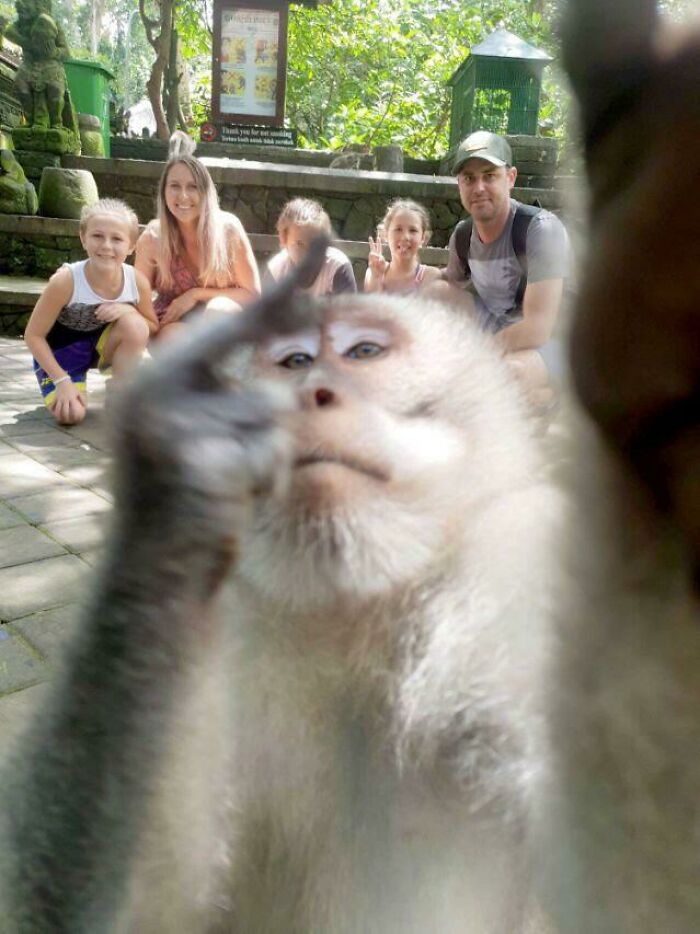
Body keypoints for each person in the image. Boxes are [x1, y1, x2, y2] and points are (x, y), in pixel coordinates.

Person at [442, 130, 570, 405]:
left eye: (489, 176)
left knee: (506, 377)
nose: (478, 188)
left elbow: (538, 327)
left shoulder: (540, 229)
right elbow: (446, 285)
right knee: (433, 292)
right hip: (500, 328)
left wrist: (476, 355)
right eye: (469, 178)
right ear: (459, 184)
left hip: (553, 339)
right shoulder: (463, 236)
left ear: (510, 178)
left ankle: (552, 397)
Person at [25, 198, 157, 426]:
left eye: (117, 239)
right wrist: (61, 380)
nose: (106, 245)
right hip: (62, 355)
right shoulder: (66, 281)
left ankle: (120, 393)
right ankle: (69, 383)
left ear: (131, 246)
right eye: (97, 236)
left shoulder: (136, 282)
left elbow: (151, 326)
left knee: (135, 324)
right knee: (71, 415)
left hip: (100, 349)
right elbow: (33, 336)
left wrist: (127, 310)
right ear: (83, 238)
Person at [135, 131, 260, 340]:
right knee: (175, 341)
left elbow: (252, 295)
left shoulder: (228, 230)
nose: (183, 196)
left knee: (218, 310)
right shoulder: (152, 237)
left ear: (206, 192)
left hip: (226, 320)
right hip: (177, 324)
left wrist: (194, 295)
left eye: (193, 187)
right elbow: (139, 297)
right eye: (175, 186)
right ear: (164, 192)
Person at [264, 198, 357, 296]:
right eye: (299, 244)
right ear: (284, 239)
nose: (308, 254)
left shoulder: (337, 267)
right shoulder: (276, 270)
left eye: (315, 245)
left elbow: (350, 309)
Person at [364, 199, 442, 293]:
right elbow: (372, 307)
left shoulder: (431, 276)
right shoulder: (373, 272)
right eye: (398, 229)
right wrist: (376, 278)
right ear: (385, 234)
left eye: (413, 230)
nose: (405, 237)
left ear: (423, 238)